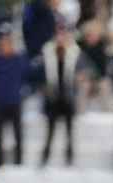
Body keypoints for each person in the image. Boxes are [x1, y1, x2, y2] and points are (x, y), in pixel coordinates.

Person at [0, 34, 31, 167]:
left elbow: (30, 77)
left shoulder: (20, 61)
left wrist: (25, 92)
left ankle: (19, 163)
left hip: (15, 103)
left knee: (18, 136)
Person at [39, 27, 84, 167]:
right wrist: (43, 87)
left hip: (68, 98)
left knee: (69, 132)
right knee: (50, 132)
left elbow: (86, 70)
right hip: (53, 99)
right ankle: (44, 159)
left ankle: (69, 159)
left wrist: (80, 78)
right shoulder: (47, 56)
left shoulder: (75, 55)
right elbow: (39, 74)